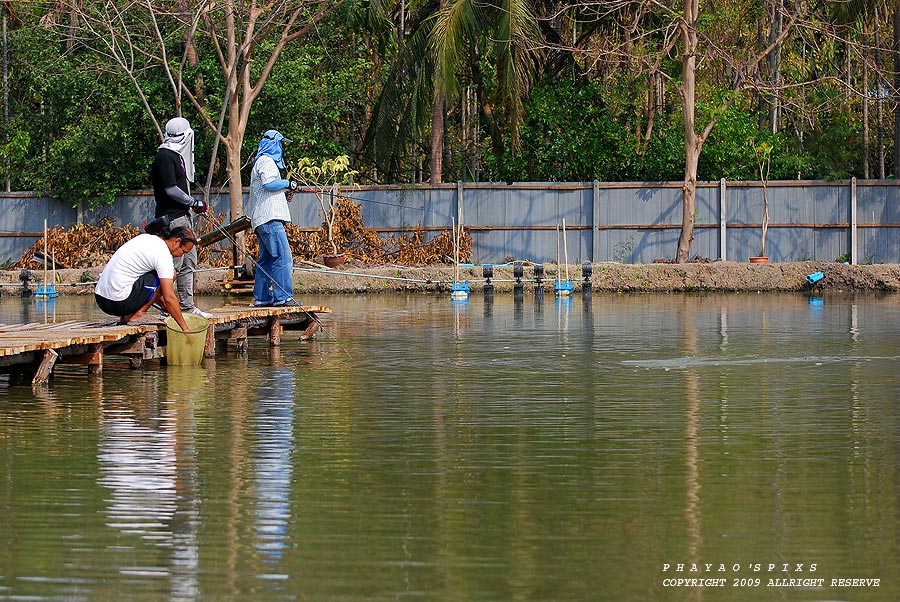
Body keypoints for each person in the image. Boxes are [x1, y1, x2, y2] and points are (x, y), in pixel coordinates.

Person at [151, 116, 212, 318]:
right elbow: (170, 189)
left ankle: (187, 306)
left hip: (183, 216)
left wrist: (191, 205)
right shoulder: (165, 156)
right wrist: (193, 202)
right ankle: (164, 308)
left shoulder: (177, 156)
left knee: (189, 262)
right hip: (172, 218)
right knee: (172, 265)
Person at [94, 226, 199, 331]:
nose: (181, 256)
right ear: (177, 241)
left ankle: (128, 316)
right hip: (117, 302)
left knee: (158, 275)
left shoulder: (146, 238)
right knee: (172, 274)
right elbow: (169, 298)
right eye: (183, 251)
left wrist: (162, 305)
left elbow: (153, 289)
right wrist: (185, 329)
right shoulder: (163, 255)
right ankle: (139, 314)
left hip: (101, 298)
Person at [247, 129, 300, 307]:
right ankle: (283, 297)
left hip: (262, 219)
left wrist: (285, 193)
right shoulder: (266, 161)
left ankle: (262, 298)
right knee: (283, 258)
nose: (282, 148)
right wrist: (288, 183)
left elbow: (266, 190)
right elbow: (269, 184)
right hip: (270, 219)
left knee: (267, 259)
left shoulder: (260, 162)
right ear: (274, 144)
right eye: (280, 144)